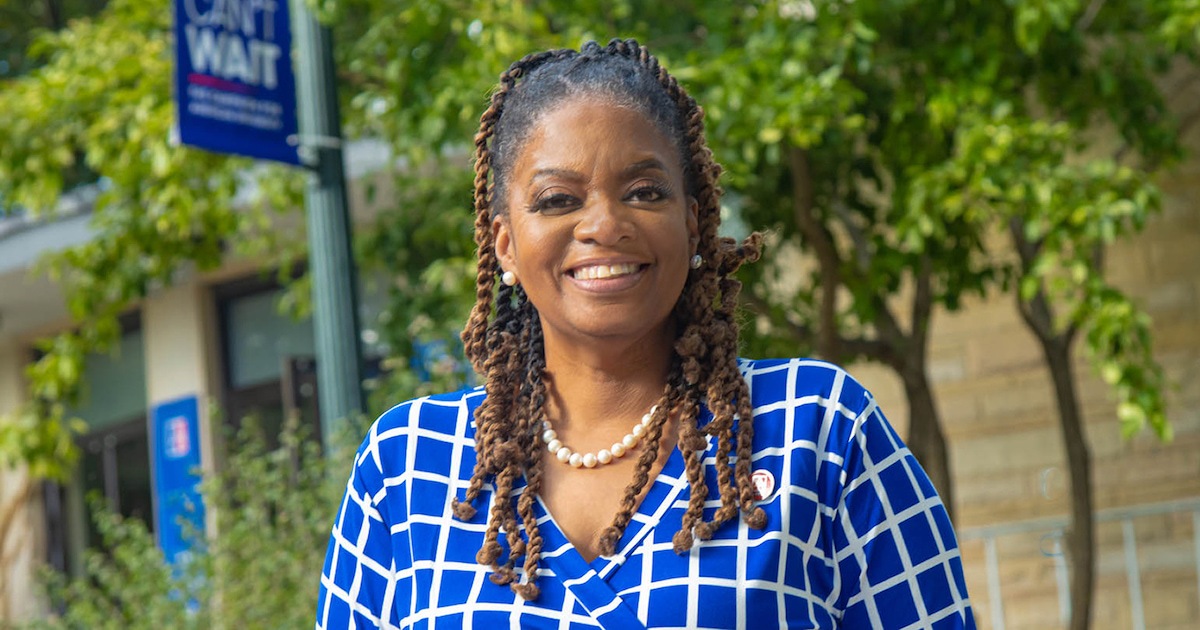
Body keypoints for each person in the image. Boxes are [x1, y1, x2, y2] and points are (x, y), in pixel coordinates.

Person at [316, 39, 976, 629]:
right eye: (557, 199)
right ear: (506, 246)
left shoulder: (818, 428)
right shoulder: (406, 466)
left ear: (693, 224)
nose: (605, 223)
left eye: (644, 192)